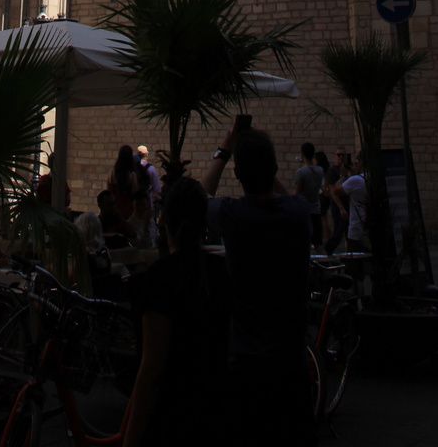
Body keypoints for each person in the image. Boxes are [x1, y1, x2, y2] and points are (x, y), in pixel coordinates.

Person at [204, 121, 313, 447]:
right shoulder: (299, 213)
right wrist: (267, 170)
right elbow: (285, 196)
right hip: (292, 360)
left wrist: (225, 148)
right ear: (275, 168)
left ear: (237, 174)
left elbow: (201, 194)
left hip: (247, 358)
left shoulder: (234, 216)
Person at [123, 177, 231, 447]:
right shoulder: (220, 272)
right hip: (216, 412)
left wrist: (131, 437)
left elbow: (152, 369)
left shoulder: (159, 279)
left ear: (164, 220)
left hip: (172, 417)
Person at [294, 141, 325, 246]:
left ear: (302, 153)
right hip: (316, 209)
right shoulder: (320, 170)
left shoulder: (301, 172)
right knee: (317, 242)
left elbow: (298, 192)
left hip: (304, 210)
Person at [334, 156, 368, 250]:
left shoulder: (356, 180)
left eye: (356, 163)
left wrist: (343, 175)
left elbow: (335, 191)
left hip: (356, 226)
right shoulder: (371, 178)